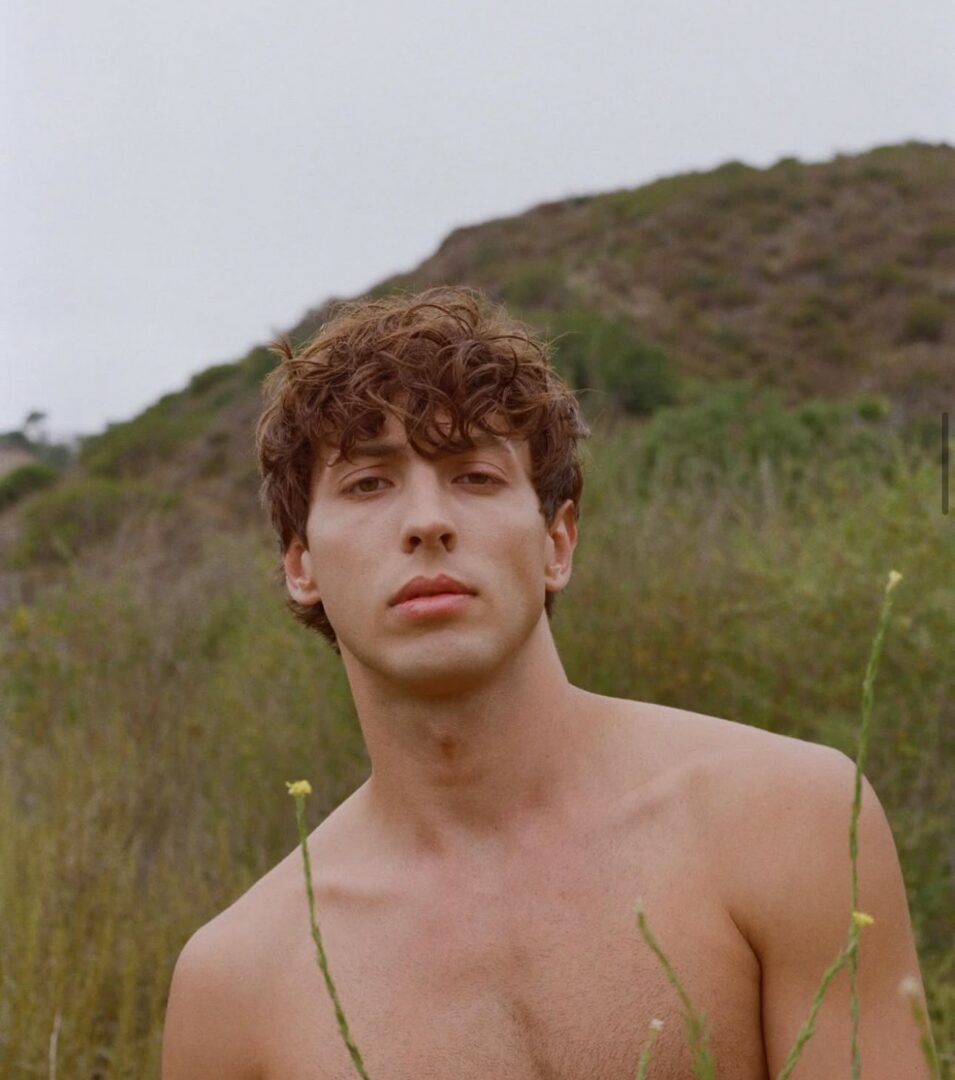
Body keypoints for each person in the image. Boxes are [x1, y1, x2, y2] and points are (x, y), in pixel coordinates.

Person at [162, 286, 931, 1079]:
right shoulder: (237, 987)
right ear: (301, 566)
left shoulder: (787, 821)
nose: (426, 522)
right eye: (367, 483)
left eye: (474, 476)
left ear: (556, 542)